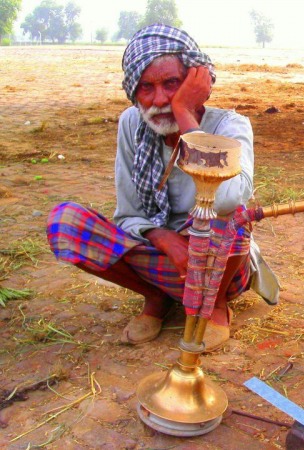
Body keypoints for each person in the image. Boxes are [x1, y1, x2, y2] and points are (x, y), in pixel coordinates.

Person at [47, 24, 279, 351]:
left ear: (196, 83)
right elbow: (129, 214)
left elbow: (229, 200)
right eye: (146, 87)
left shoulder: (230, 125)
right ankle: (156, 297)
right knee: (66, 223)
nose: (160, 100)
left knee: (235, 216)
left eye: (172, 83)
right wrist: (165, 238)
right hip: (161, 262)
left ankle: (213, 308)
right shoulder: (132, 123)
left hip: (219, 267)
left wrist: (185, 115)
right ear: (134, 92)